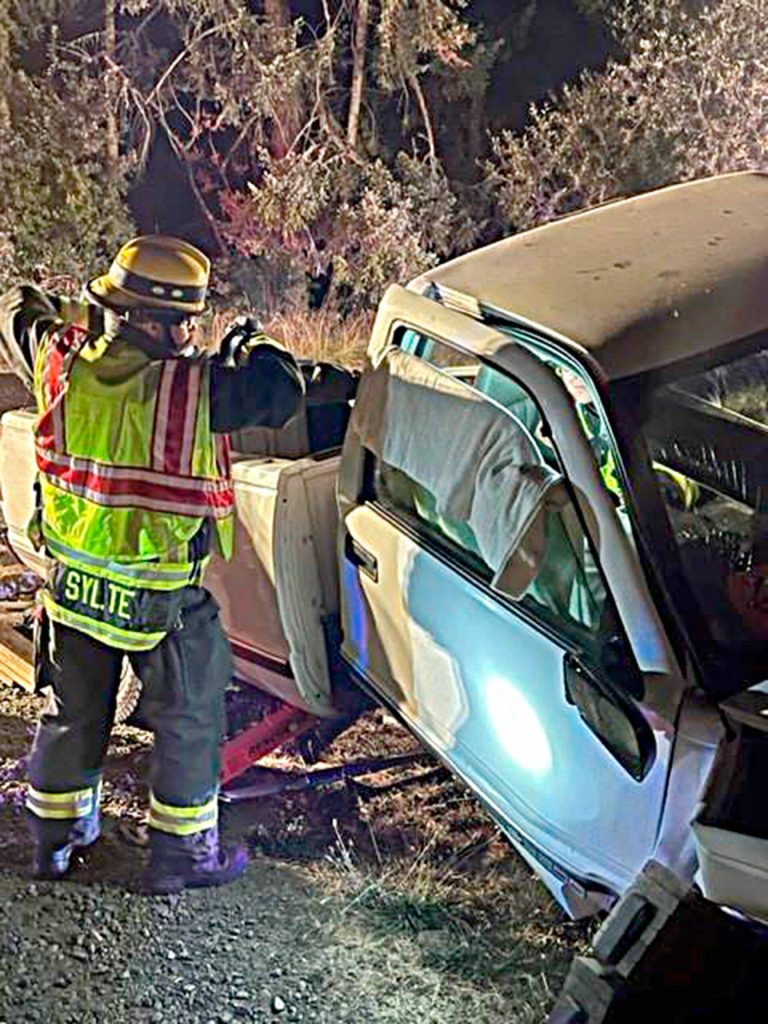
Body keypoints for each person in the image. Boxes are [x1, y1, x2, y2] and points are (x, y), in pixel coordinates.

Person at [0, 235, 304, 893]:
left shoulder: (59, 361)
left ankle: (54, 842)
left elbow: (16, 309)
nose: (191, 334)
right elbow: (282, 392)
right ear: (153, 321)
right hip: (161, 599)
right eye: (185, 321)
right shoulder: (192, 388)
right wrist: (248, 349)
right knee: (190, 718)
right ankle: (184, 856)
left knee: (73, 715)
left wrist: (77, 314)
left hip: (74, 591)